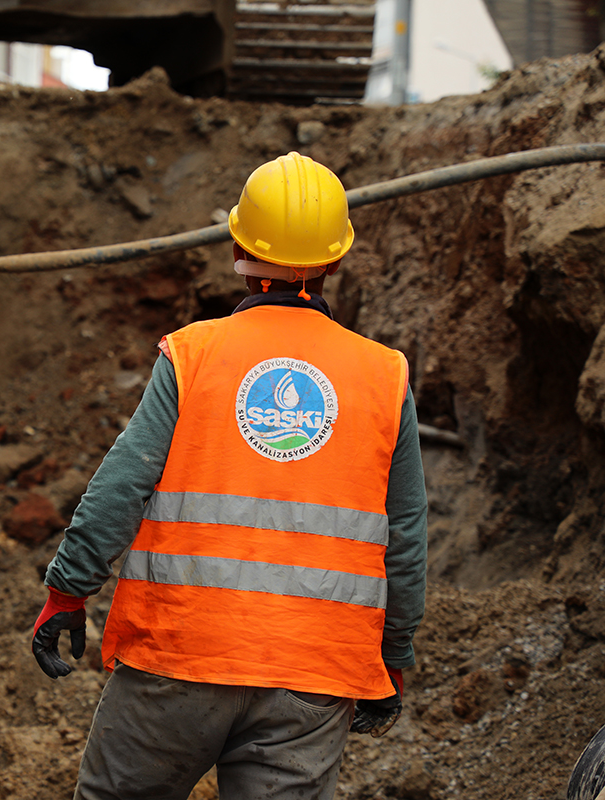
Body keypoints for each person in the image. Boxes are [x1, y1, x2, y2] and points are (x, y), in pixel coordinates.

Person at [30, 151, 428, 800]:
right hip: (314, 675)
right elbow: (405, 533)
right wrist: (393, 655)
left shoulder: (195, 355)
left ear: (238, 244)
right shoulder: (384, 377)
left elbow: (121, 483)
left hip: (179, 654)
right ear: (335, 257)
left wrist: (69, 591)